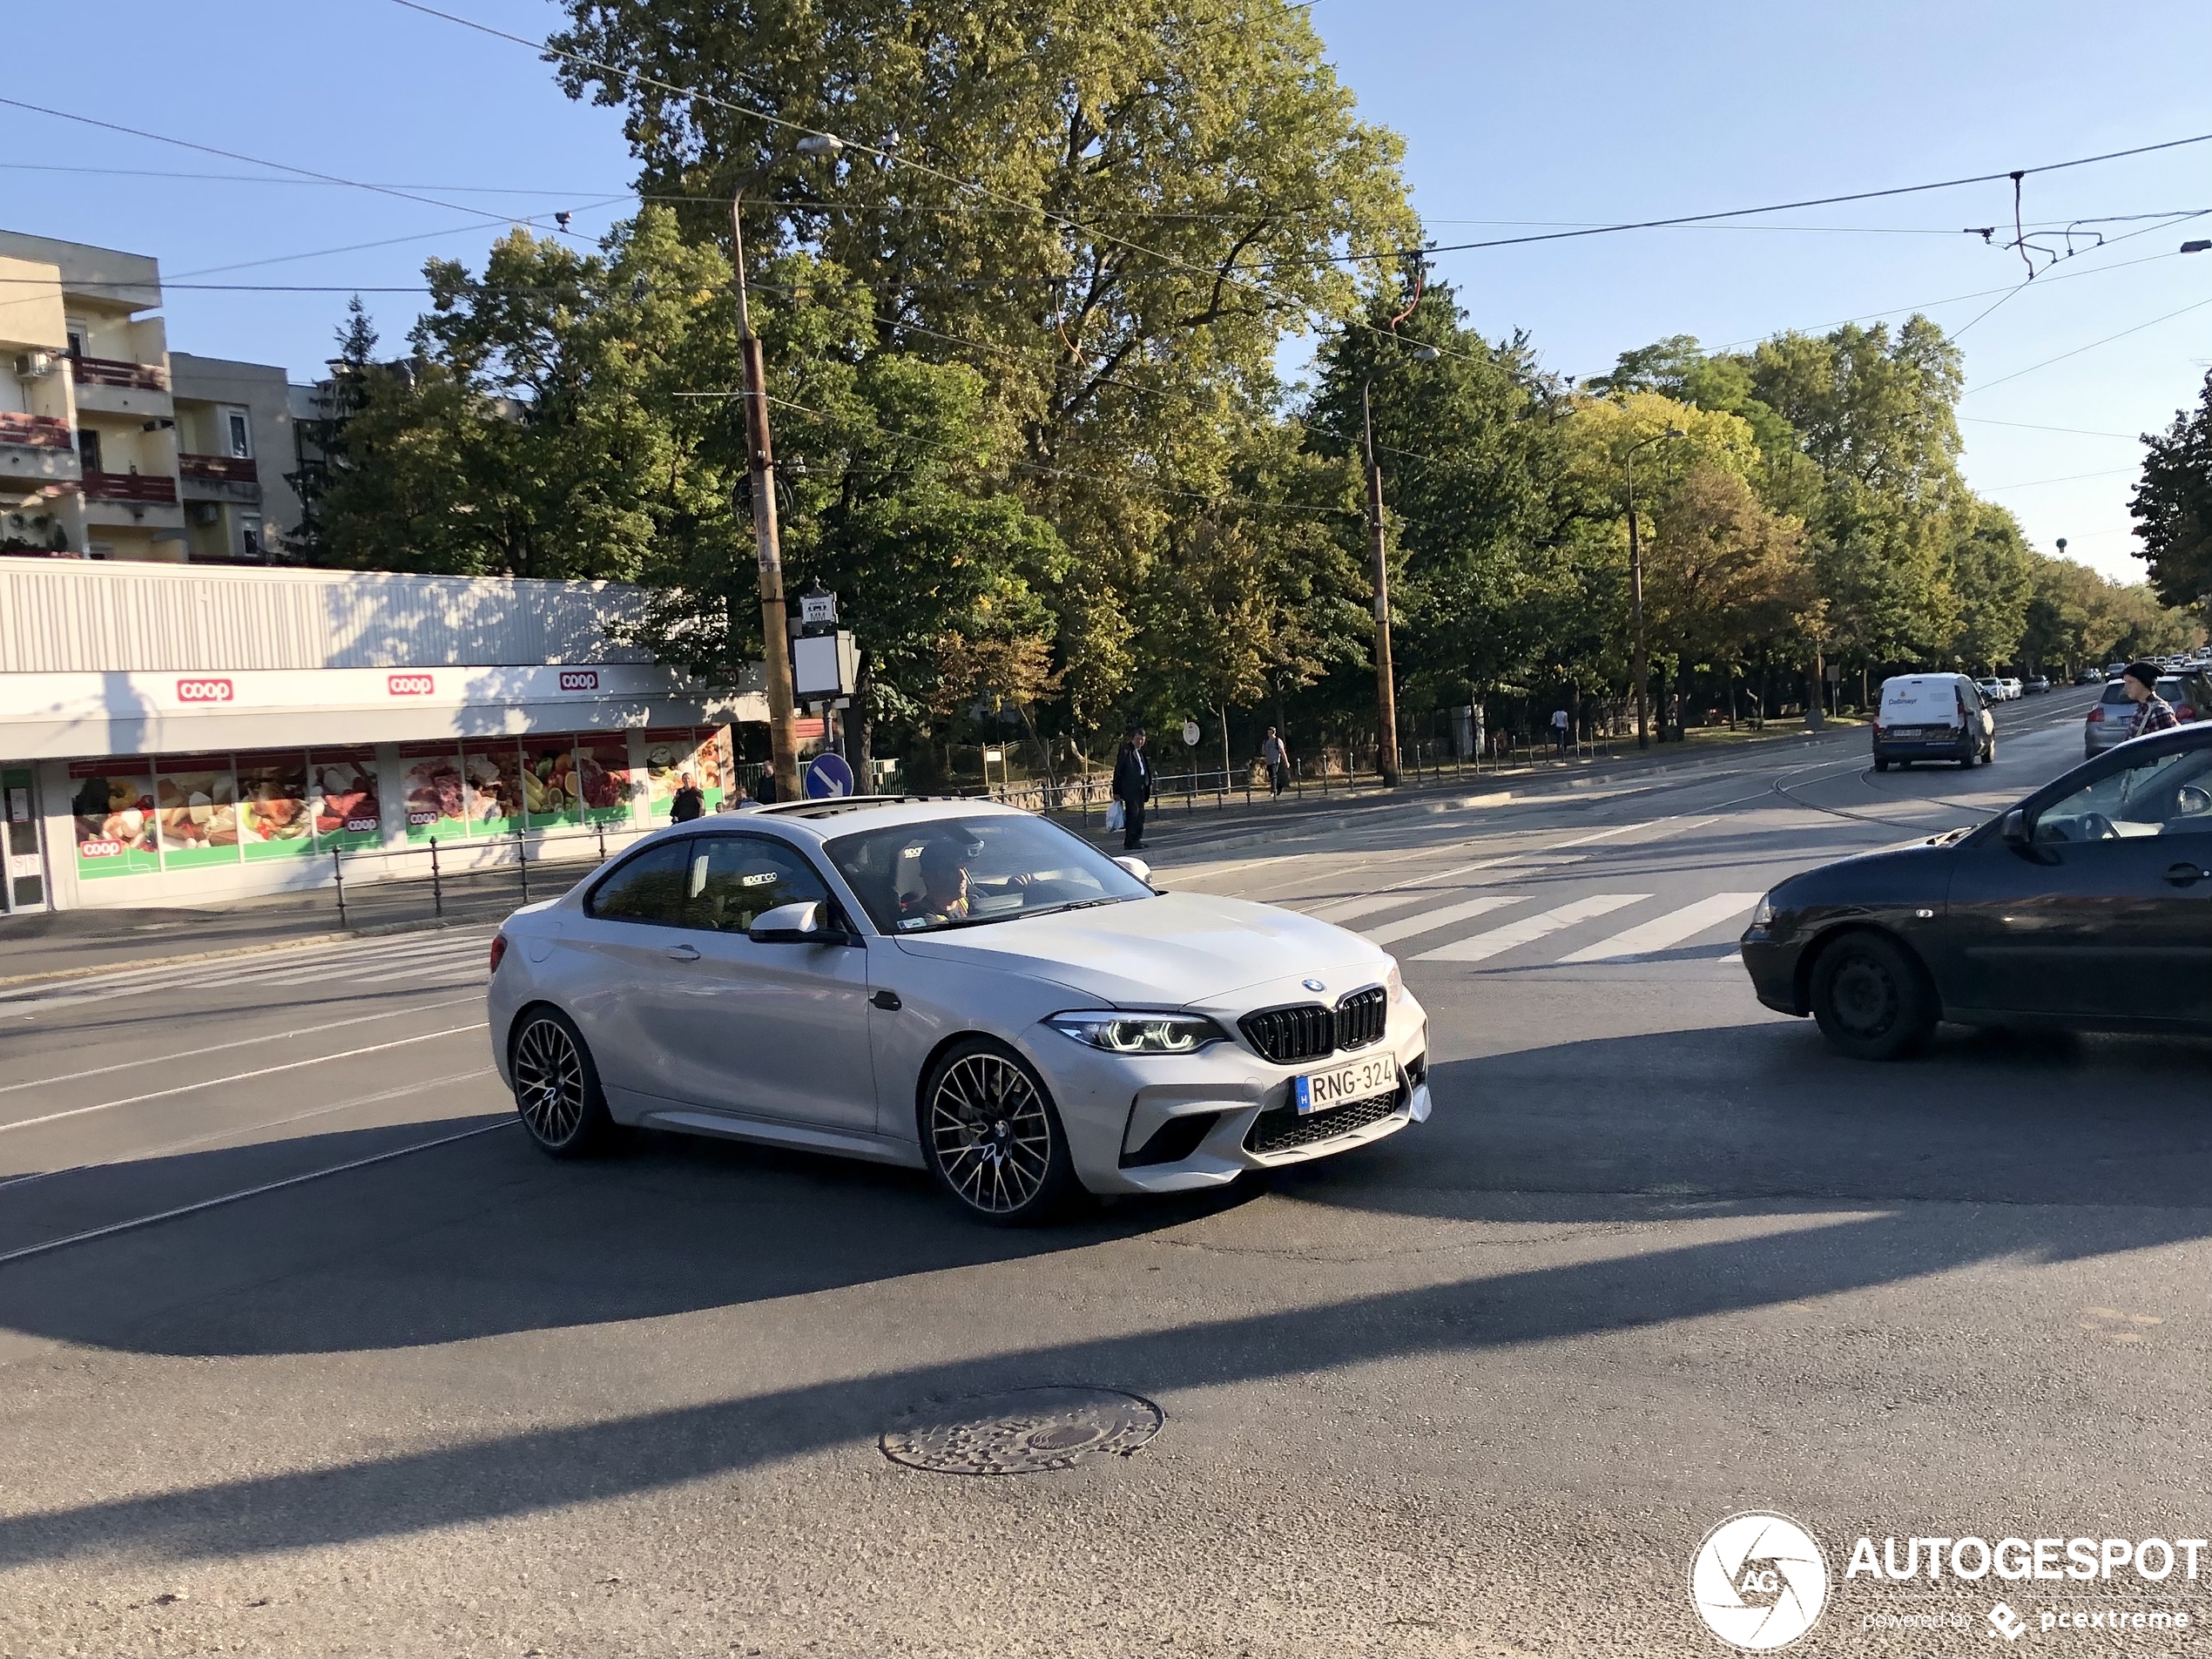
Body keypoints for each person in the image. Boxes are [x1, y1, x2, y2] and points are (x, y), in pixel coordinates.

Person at [1112, 726, 1152, 851]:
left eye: (1142, 739)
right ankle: (1130, 841)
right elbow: (1118, 771)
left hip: (1141, 788)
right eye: (1138, 739)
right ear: (1133, 739)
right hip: (1130, 789)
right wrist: (1116, 790)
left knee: (1140, 815)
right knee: (1133, 815)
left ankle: (1137, 839)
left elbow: (1144, 769)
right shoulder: (1126, 751)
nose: (1140, 742)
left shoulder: (1140, 752)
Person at [2121, 661, 2178, 739]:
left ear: (2144, 683)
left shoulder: (2159, 711)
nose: (2125, 687)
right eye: (2125, 682)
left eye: (2130, 682)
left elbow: (2173, 743)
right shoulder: (2143, 708)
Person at [1260, 725, 1290, 797]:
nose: (1269, 734)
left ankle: (1273, 791)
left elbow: (1282, 752)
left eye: (1270, 733)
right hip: (1268, 761)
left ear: (1274, 733)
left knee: (1273, 775)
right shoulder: (1266, 741)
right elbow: (1263, 752)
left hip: (1275, 761)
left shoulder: (1277, 741)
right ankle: (1279, 787)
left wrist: (1286, 762)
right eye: (1268, 733)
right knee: (1271, 776)